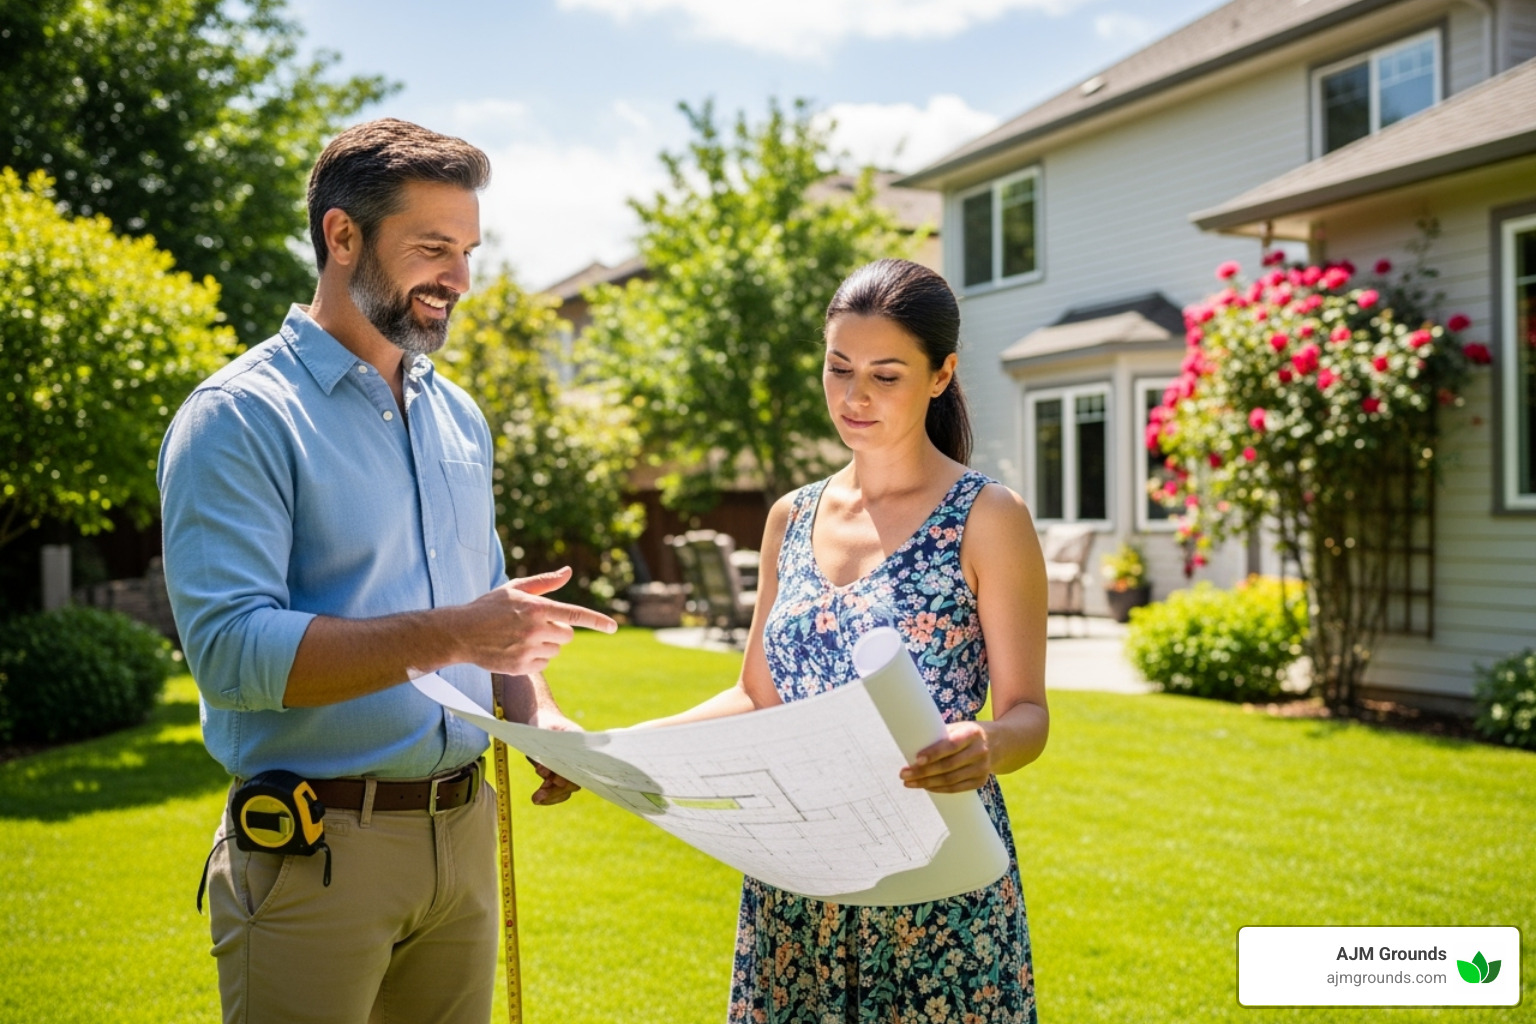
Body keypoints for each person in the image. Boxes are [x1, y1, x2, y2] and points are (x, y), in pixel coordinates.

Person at [158, 118, 616, 1024]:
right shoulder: (239, 418)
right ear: (343, 236)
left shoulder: (459, 416)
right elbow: (233, 656)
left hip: (465, 836)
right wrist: (456, 633)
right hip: (315, 853)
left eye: (468, 251)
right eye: (433, 248)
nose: (461, 279)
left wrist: (539, 715)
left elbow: (489, 617)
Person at [649, 258, 1049, 1022]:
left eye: (885, 375)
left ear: (941, 375)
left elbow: (1028, 713)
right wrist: (614, 752)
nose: (854, 396)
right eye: (839, 368)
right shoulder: (790, 517)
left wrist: (989, 745)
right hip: (798, 882)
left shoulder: (989, 516)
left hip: (939, 885)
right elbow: (756, 696)